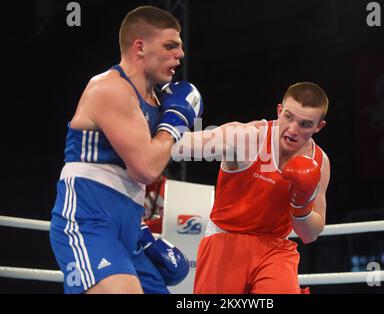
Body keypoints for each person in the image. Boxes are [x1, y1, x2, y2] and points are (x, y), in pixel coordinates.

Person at [49, 5, 202, 294]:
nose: (179, 55)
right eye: (170, 46)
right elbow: (145, 168)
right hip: (88, 217)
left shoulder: (158, 102)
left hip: (130, 223)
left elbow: (183, 146)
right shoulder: (110, 88)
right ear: (140, 47)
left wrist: (257, 133)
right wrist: (175, 122)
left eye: (180, 47)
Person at [174, 82, 330, 294]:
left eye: (304, 124)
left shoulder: (319, 161)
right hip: (225, 242)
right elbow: (179, 145)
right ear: (279, 111)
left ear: (318, 126)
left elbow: (309, 235)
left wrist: (301, 206)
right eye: (289, 117)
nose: (293, 130)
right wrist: (164, 121)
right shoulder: (247, 137)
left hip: (276, 249)